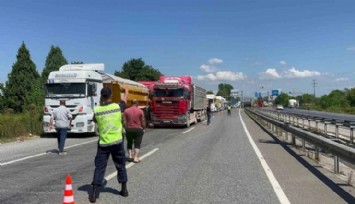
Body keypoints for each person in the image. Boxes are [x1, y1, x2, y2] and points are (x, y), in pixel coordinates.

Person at [90, 88, 128, 203]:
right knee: (120, 165)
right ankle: (124, 190)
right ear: (111, 95)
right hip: (117, 141)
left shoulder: (97, 110)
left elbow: (95, 121)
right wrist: (125, 91)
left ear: (101, 97)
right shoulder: (117, 107)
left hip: (104, 143)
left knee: (100, 167)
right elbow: (124, 100)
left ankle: (94, 194)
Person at [123, 99, 146, 163]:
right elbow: (143, 121)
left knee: (129, 143)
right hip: (138, 129)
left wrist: (125, 128)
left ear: (131, 103)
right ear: (137, 103)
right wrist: (143, 128)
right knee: (137, 144)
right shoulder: (140, 111)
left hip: (129, 129)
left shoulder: (126, 111)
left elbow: (124, 121)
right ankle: (135, 158)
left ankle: (130, 156)